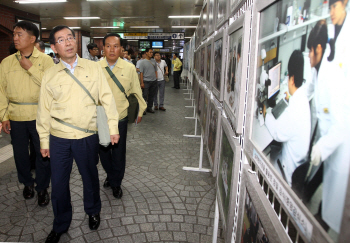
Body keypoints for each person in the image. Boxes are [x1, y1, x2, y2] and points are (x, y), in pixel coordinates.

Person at [36, 25, 120, 243]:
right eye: (62, 40)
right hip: (59, 138)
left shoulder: (93, 69)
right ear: (54, 47)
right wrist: (44, 140)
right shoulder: (49, 74)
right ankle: (60, 224)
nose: (69, 42)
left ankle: (93, 211)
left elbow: (107, 99)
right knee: (60, 185)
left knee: (90, 178)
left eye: (70, 38)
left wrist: (113, 128)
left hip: (87, 136)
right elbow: (43, 111)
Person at [0, 21, 54, 206]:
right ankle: (27, 183)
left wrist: (30, 67)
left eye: (19, 34)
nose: (15, 38)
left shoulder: (46, 61)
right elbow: (1, 91)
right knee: (20, 153)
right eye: (14, 34)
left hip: (39, 114)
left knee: (43, 153)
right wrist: (4, 116)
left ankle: (42, 187)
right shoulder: (6, 62)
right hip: (15, 115)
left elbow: (50, 87)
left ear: (32, 38)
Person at [305, 19, 350, 233]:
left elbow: (341, 128)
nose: (308, 56)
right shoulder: (317, 69)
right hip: (326, 141)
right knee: (320, 181)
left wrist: (321, 148)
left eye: (310, 51)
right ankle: (317, 215)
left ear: (319, 49)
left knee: (334, 200)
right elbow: (309, 89)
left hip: (338, 147)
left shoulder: (333, 78)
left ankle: (322, 227)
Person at [98, 33, 147, 199]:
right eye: (108, 46)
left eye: (116, 46)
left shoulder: (129, 68)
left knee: (118, 153)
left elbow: (136, 91)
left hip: (120, 116)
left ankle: (116, 183)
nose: (112, 49)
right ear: (103, 48)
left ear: (121, 49)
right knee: (104, 151)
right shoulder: (95, 68)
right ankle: (111, 175)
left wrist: (141, 110)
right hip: (101, 118)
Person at [263, 50, 311, 186]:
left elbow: (278, 133)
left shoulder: (295, 110)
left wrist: (265, 114)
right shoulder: (302, 98)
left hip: (288, 173)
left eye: (288, 75)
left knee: (268, 152)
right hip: (298, 163)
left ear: (291, 79)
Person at [139, 48, 158, 113]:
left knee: (151, 95)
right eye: (150, 52)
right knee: (144, 95)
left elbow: (155, 71)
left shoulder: (154, 61)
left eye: (152, 52)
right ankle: (143, 109)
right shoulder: (142, 62)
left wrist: (156, 78)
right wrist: (142, 83)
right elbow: (141, 73)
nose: (151, 53)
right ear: (146, 53)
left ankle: (149, 107)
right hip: (146, 81)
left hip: (153, 81)